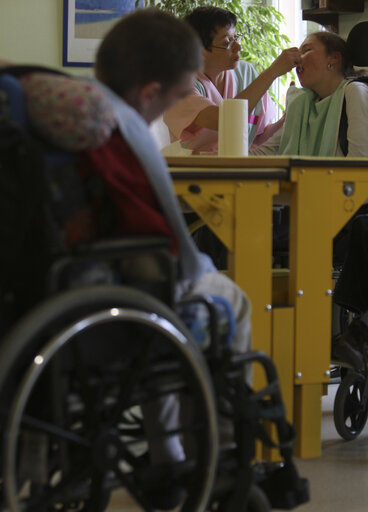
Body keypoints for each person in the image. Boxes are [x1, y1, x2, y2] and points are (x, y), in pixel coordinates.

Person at [75, 7, 252, 503]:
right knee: (226, 298)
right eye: (176, 97)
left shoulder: (68, 115)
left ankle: (169, 450)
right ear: (152, 93)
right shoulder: (127, 132)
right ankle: (212, 451)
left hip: (62, 283)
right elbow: (175, 250)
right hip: (130, 287)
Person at [163, 6, 300, 154]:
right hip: (195, 170)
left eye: (236, 38)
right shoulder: (178, 84)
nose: (238, 47)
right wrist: (273, 72)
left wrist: (286, 119)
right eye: (227, 42)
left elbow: (258, 138)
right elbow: (223, 119)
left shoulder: (246, 73)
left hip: (239, 168)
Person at [250, 31, 368, 158]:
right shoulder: (302, 103)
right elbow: (265, 153)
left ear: (334, 58)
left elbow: (359, 161)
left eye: (306, 51)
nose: (297, 59)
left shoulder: (354, 91)